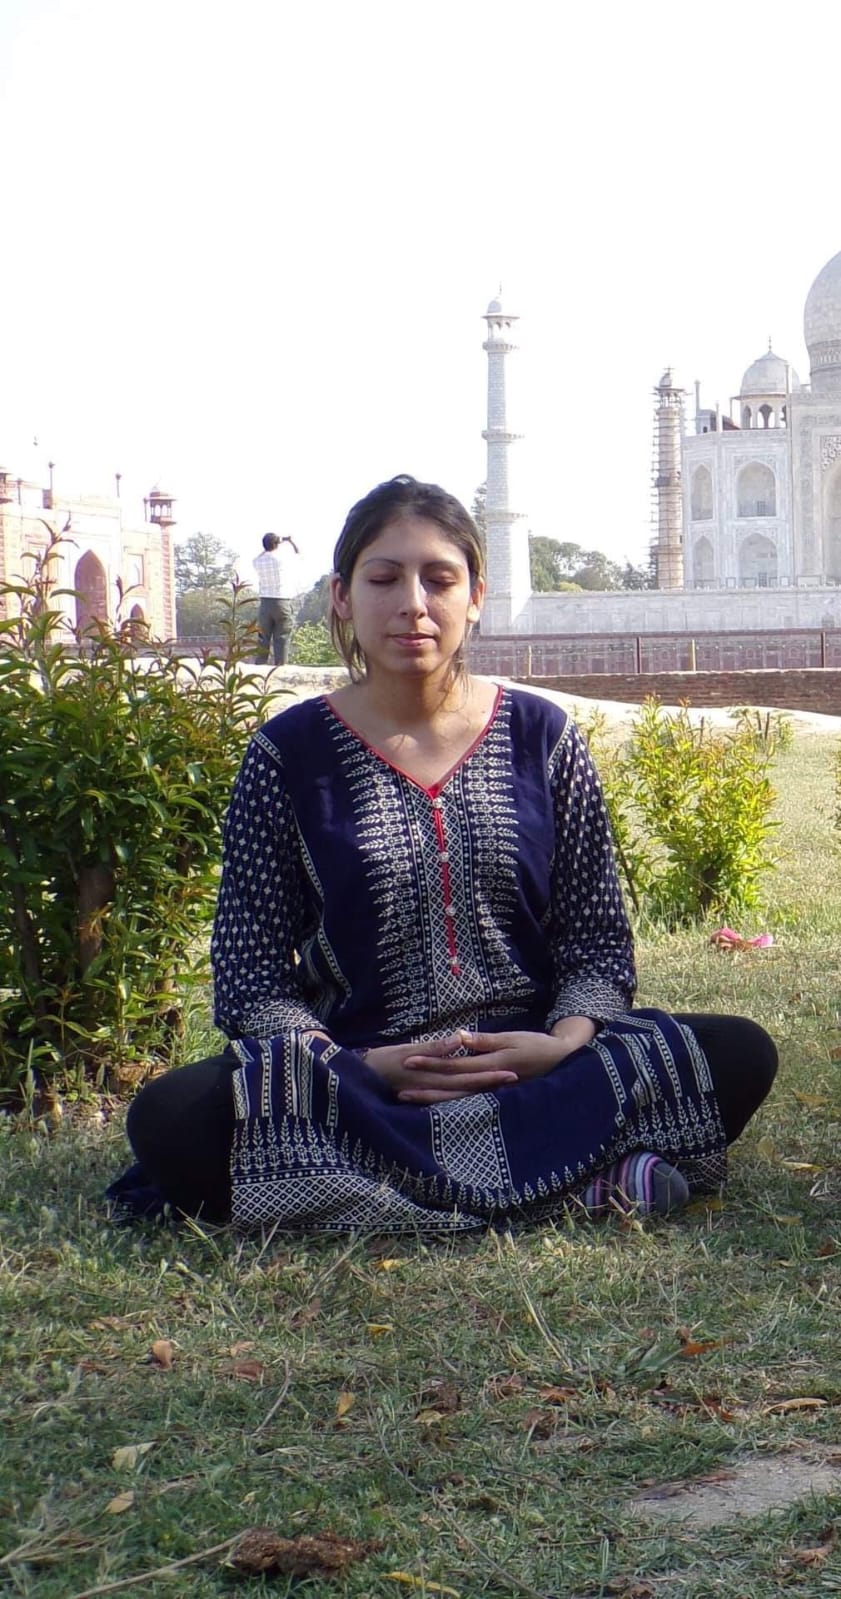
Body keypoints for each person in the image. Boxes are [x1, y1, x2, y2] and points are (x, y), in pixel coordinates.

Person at [110, 475, 778, 1232]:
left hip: (537, 1068)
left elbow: (594, 940)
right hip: (364, 1082)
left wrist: (558, 1044)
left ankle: (362, 1197)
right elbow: (250, 969)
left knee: (737, 1052)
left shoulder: (542, 736)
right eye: (384, 577)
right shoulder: (286, 755)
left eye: (439, 578)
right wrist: (355, 1065)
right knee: (171, 1119)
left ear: (475, 596)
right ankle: (584, 1184)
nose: (413, 604)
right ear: (340, 596)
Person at [253, 531, 300, 665]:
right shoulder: (282, 560)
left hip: (265, 602)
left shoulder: (258, 561)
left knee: (263, 637)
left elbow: (260, 556)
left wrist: (274, 543)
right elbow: (298, 553)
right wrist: (289, 541)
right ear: (276, 544)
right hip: (282, 600)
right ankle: (281, 666)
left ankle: (260, 666)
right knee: (282, 637)